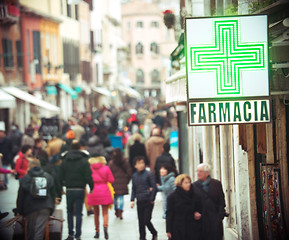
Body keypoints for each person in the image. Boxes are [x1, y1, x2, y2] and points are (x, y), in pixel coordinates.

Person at [59, 140, 94, 240]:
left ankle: (70, 234)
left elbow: (60, 175)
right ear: (79, 148)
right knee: (79, 212)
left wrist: (61, 187)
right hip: (80, 189)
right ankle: (78, 235)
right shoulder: (84, 160)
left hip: (69, 189)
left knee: (69, 212)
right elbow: (88, 175)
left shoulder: (65, 160)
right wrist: (91, 187)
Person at [16, 158, 55, 240]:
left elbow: (20, 196)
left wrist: (20, 211)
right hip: (45, 207)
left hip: (30, 208)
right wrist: (52, 209)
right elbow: (53, 194)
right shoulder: (48, 177)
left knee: (30, 231)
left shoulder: (25, 178)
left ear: (29, 167)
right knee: (39, 231)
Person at [192, 163, 226, 240]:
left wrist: (219, 216)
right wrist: (194, 212)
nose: (198, 173)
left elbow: (221, 201)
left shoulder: (216, 184)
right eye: (197, 171)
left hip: (215, 220)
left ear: (207, 173)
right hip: (201, 222)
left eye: (201, 171)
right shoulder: (193, 186)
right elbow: (191, 203)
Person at [166, 174, 202, 240]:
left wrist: (197, 212)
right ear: (180, 184)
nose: (188, 184)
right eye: (186, 183)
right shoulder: (172, 197)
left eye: (189, 182)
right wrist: (168, 230)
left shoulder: (195, 196)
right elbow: (169, 214)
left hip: (192, 227)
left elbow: (199, 208)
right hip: (178, 228)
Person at [87, 155, 114, 239]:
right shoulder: (106, 168)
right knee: (105, 212)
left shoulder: (89, 169)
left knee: (96, 213)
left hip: (93, 191)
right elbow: (111, 180)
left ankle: (97, 232)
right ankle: (105, 227)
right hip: (104, 191)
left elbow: (87, 179)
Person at [131, 156, 158, 240]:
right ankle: (142, 237)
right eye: (139, 163)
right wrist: (132, 200)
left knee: (146, 220)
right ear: (135, 166)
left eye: (142, 163)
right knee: (140, 221)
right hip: (139, 200)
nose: (141, 165)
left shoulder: (149, 174)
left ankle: (154, 232)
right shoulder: (134, 176)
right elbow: (133, 188)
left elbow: (154, 187)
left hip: (148, 200)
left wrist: (152, 199)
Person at [108, 148, 132, 219]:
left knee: (115, 198)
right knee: (121, 197)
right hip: (123, 181)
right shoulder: (125, 161)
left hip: (114, 182)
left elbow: (109, 173)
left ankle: (116, 210)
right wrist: (127, 180)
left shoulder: (111, 163)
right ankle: (121, 211)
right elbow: (129, 172)